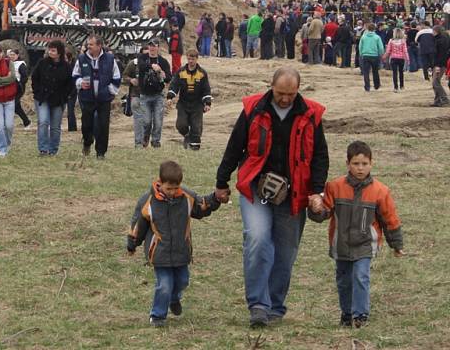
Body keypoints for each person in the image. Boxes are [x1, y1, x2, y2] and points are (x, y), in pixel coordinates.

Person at [214, 66, 328, 327]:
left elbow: (320, 155)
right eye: (280, 93)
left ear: (298, 90)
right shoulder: (253, 108)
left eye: (291, 93)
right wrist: (222, 181)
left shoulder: (312, 114)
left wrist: (317, 191)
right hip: (256, 189)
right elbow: (235, 146)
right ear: (271, 86)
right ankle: (258, 305)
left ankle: (275, 306)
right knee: (257, 239)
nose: (285, 99)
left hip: (295, 192)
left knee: (286, 252)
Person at [308, 141, 404, 328]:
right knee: (344, 281)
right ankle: (346, 314)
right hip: (341, 243)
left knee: (361, 276)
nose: (360, 168)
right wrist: (315, 208)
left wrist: (397, 244)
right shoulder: (334, 187)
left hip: (365, 244)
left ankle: (361, 316)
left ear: (371, 164)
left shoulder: (380, 191)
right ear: (347, 164)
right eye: (355, 164)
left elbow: (389, 218)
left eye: (364, 164)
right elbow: (324, 213)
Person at [127, 160, 221, 327]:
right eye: (168, 188)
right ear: (160, 182)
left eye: (175, 188)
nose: (172, 192)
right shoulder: (148, 201)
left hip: (181, 250)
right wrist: (132, 243)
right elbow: (138, 225)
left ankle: (174, 298)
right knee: (164, 284)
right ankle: (157, 316)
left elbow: (202, 207)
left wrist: (215, 199)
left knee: (183, 280)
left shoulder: (186, 197)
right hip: (160, 252)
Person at [72, 35, 121, 159]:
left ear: (99, 46)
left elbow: (116, 77)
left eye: (91, 44)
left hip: (104, 99)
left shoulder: (110, 58)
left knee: (103, 126)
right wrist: (80, 83)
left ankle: (101, 153)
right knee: (86, 125)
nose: (88, 47)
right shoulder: (82, 58)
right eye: (88, 44)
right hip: (87, 98)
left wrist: (109, 91)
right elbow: (75, 75)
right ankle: (87, 143)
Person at [31, 40, 73, 156]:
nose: (50, 52)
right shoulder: (42, 63)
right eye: (49, 49)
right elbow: (34, 78)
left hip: (58, 100)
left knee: (55, 126)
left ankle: (53, 149)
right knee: (43, 122)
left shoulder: (66, 67)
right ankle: (43, 149)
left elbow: (70, 84)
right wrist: (37, 92)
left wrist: (65, 96)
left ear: (59, 52)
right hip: (42, 98)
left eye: (53, 50)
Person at [167, 49, 212, 150]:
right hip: (183, 103)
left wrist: (207, 103)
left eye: (193, 59)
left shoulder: (202, 73)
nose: (191, 61)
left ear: (197, 59)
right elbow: (174, 85)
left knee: (196, 126)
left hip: (197, 104)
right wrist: (170, 97)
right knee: (180, 125)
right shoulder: (181, 72)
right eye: (189, 59)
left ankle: (195, 148)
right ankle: (187, 136)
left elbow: (206, 89)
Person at [136, 39, 172, 148]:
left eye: (154, 46)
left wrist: (162, 73)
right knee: (146, 121)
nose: (152, 48)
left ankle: (156, 141)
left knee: (158, 121)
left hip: (158, 95)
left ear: (158, 47)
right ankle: (146, 137)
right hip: (145, 94)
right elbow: (141, 66)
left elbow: (169, 78)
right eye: (150, 45)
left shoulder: (163, 61)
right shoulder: (142, 58)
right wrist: (152, 66)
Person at [122, 44, 149, 149]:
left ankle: (145, 137)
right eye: (144, 54)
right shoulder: (133, 64)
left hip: (150, 96)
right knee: (138, 119)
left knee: (147, 120)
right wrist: (131, 80)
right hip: (136, 95)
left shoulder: (156, 63)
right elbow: (124, 76)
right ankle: (138, 143)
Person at [7, 48, 31, 129]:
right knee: (17, 107)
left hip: (18, 88)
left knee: (12, 105)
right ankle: (27, 122)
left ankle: (7, 124)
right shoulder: (8, 63)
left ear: (17, 55)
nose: (12, 56)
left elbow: (25, 76)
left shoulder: (21, 64)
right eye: (10, 55)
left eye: (13, 55)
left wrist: (20, 84)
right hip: (9, 87)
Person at [359, 23, 385, 92]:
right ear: (374, 29)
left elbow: (360, 46)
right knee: (375, 71)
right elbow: (381, 48)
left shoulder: (363, 37)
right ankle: (376, 85)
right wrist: (381, 54)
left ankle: (367, 87)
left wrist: (361, 54)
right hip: (375, 56)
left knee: (366, 72)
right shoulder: (377, 37)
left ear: (367, 29)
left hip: (365, 55)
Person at [382, 28, 408, 92]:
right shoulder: (403, 41)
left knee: (394, 73)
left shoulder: (391, 41)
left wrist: (384, 57)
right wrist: (407, 59)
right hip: (401, 58)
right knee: (401, 72)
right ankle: (402, 86)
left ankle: (395, 87)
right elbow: (405, 51)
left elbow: (388, 51)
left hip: (393, 58)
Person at [431, 25, 450, 107]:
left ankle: (444, 98)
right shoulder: (443, 38)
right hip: (441, 63)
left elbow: (440, 54)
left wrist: (438, 65)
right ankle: (437, 101)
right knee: (436, 82)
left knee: (435, 82)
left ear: (436, 31)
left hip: (440, 64)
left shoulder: (440, 40)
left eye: (432, 31)